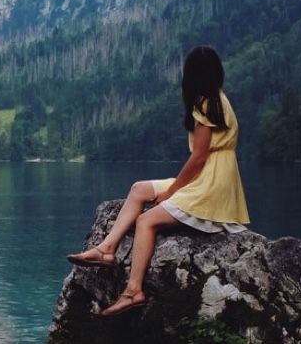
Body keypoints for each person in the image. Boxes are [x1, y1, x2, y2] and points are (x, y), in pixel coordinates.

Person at [66, 45, 250, 316]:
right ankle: (106, 249)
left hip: (211, 183)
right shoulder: (218, 99)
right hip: (211, 175)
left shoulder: (205, 104)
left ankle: (133, 291)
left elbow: (198, 158)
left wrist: (172, 192)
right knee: (139, 189)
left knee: (146, 221)